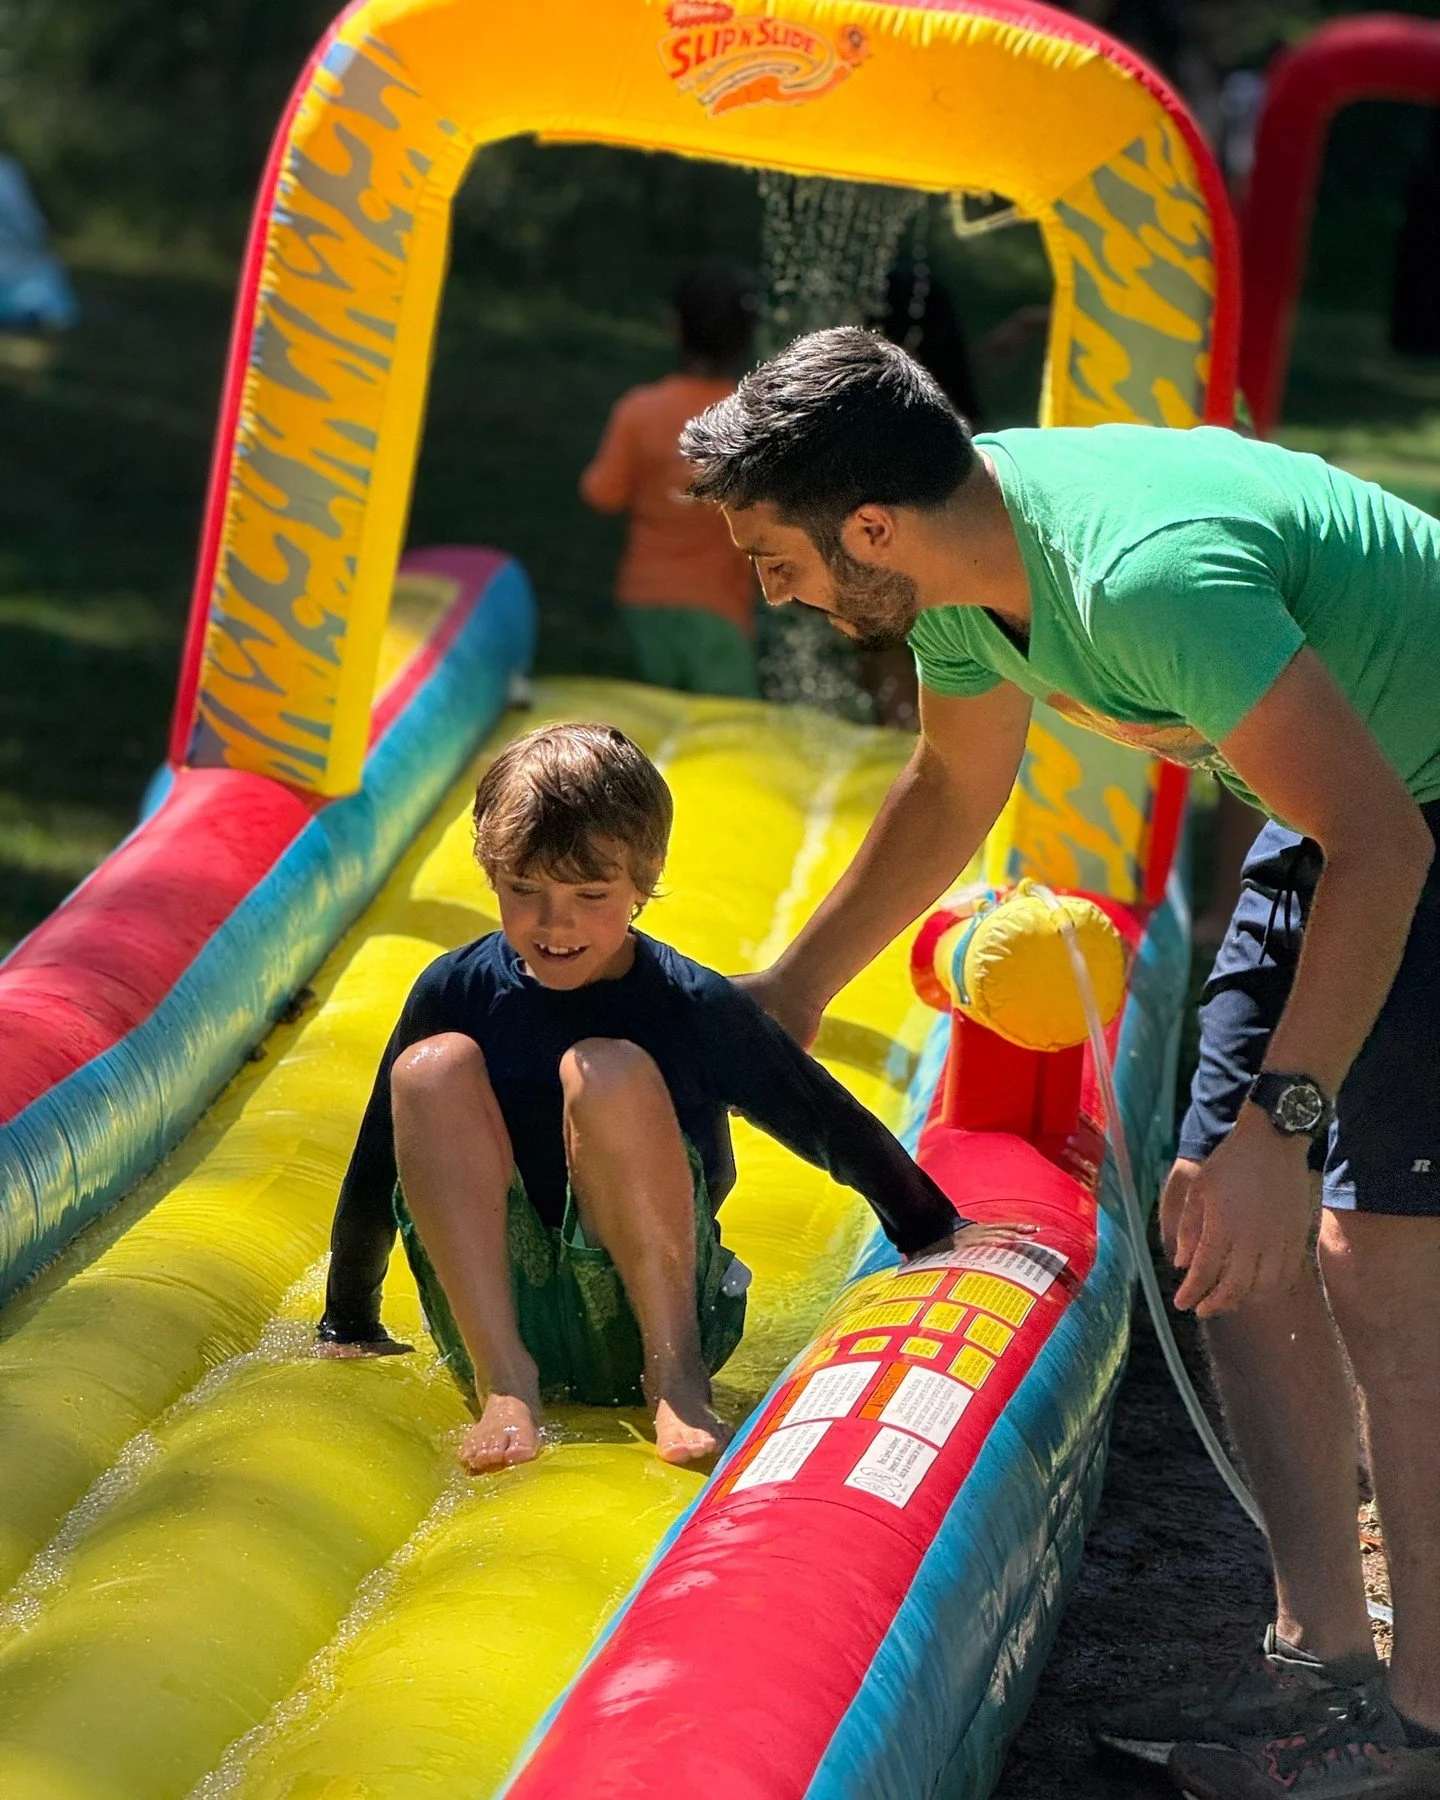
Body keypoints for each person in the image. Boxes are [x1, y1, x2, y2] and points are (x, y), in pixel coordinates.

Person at [678, 328, 1440, 1798]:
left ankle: (1420, 1727)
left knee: (1372, 1259)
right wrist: (792, 991)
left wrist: (1288, 1126)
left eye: (776, 557)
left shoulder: (1143, 581)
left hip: (1417, 821)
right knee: (1223, 1235)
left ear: (873, 530)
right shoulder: (968, 578)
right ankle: (1318, 1665)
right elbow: (957, 782)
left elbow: (1390, 846)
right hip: (1348, 811)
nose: (768, 589)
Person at [316, 721, 970, 1473]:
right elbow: (380, 1158)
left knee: (609, 1072)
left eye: (590, 894)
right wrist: (348, 1317)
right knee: (429, 1070)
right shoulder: (455, 991)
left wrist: (932, 1229)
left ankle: (676, 1378)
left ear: (644, 877)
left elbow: (821, 1115)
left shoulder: (689, 1004)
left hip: (656, 1308)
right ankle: (507, 1386)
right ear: (488, 869)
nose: (554, 923)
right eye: (524, 889)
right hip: (498, 1315)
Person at [580, 262, 760, 699]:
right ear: (746, 338)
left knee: (651, 729)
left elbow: (601, 494)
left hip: (645, 601)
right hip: (720, 610)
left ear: (674, 328)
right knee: (725, 732)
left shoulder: (639, 410)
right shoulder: (755, 420)